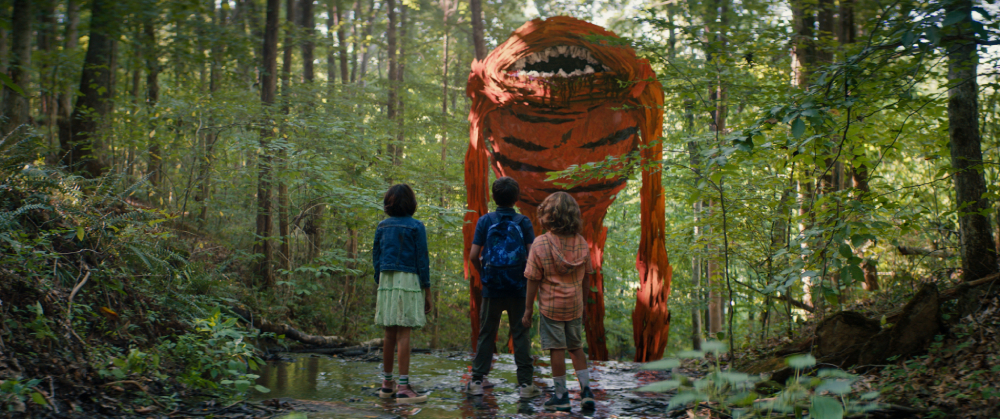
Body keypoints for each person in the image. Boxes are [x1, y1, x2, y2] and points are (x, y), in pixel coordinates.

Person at [467, 177, 542, 399]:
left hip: (492, 288)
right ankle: (526, 385)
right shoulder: (523, 222)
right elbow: (533, 257)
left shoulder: (485, 221)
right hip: (519, 288)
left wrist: (485, 276)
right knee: (520, 334)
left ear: (494, 197)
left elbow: (473, 256)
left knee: (487, 333)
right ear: (516, 198)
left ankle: (477, 381)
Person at [521, 192, 596, 411]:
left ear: (547, 216)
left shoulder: (540, 243)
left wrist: (527, 309)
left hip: (551, 307)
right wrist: (584, 306)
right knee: (576, 347)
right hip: (574, 306)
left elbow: (532, 279)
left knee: (557, 349)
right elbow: (586, 277)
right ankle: (586, 391)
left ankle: (561, 396)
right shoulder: (581, 243)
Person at [372, 184, 432, 403]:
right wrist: (427, 290)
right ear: (411, 203)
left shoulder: (382, 226)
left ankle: (387, 384)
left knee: (389, 333)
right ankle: (404, 387)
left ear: (389, 203)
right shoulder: (416, 227)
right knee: (403, 334)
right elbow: (422, 260)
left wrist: (380, 280)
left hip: (386, 278)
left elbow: (376, 256)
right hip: (408, 279)